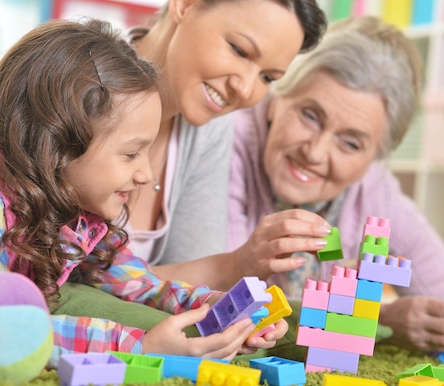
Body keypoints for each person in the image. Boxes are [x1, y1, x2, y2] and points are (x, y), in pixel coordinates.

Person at [0, 18, 286, 368]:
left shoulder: (73, 196)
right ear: (60, 144)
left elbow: (137, 281)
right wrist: (139, 345)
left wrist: (208, 306)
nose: (144, 173)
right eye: (132, 153)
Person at [224, 16, 444, 362]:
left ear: (374, 161)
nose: (315, 152)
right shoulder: (229, 139)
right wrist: (378, 322)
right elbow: (224, 300)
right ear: (278, 98)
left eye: (350, 144)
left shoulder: (375, 191)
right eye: (309, 115)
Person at [54, 0, 326, 342]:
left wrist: (239, 267)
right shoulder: (81, 86)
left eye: (267, 77)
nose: (244, 88)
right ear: (185, 5)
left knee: (300, 329)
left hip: (112, 293)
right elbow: (58, 276)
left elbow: (147, 281)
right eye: (239, 50)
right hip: (43, 297)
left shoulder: (209, 127)